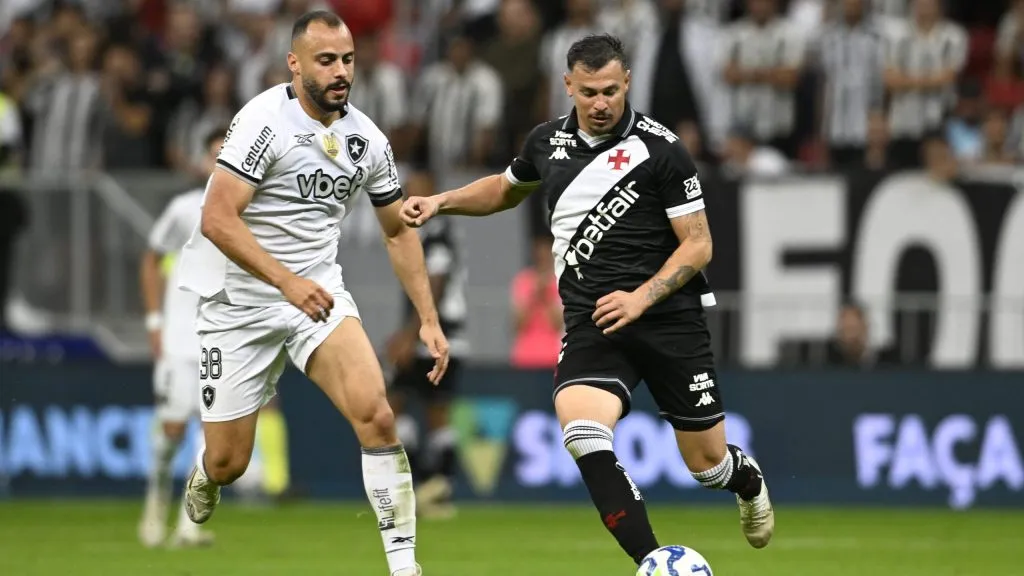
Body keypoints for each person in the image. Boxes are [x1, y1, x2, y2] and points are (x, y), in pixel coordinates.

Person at [401, 34, 775, 567]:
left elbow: (699, 244)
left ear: (627, 84)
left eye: (611, 91)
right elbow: (505, 189)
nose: (601, 104)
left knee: (707, 465)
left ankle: (747, 479)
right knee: (581, 431)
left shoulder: (661, 149)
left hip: (670, 320)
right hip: (594, 323)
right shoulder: (545, 143)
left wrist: (641, 298)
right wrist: (441, 202)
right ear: (568, 86)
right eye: (589, 92)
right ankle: (653, 560)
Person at [177, 11, 448, 576]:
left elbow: (397, 229)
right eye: (326, 60)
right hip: (240, 303)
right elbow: (218, 218)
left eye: (348, 59)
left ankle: (404, 566)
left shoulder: (367, 139)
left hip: (317, 296)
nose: (340, 71)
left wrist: (427, 317)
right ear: (295, 63)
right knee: (230, 461)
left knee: (376, 414)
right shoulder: (263, 122)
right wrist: (285, 281)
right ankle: (207, 474)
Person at [137, 129, 225, 549]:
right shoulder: (184, 209)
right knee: (172, 429)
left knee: (212, 433)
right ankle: (155, 503)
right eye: (215, 154)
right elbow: (151, 259)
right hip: (177, 336)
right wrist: (154, 321)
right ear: (203, 161)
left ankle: (189, 525)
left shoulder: (253, 211)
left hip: (223, 339)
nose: (221, 162)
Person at [386, 173, 467, 520]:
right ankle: (433, 483)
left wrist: (412, 331)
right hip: (440, 333)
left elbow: (436, 282)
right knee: (414, 406)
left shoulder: (435, 234)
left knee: (423, 408)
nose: (408, 197)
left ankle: (433, 483)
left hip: (437, 334)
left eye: (416, 191)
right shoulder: (423, 234)